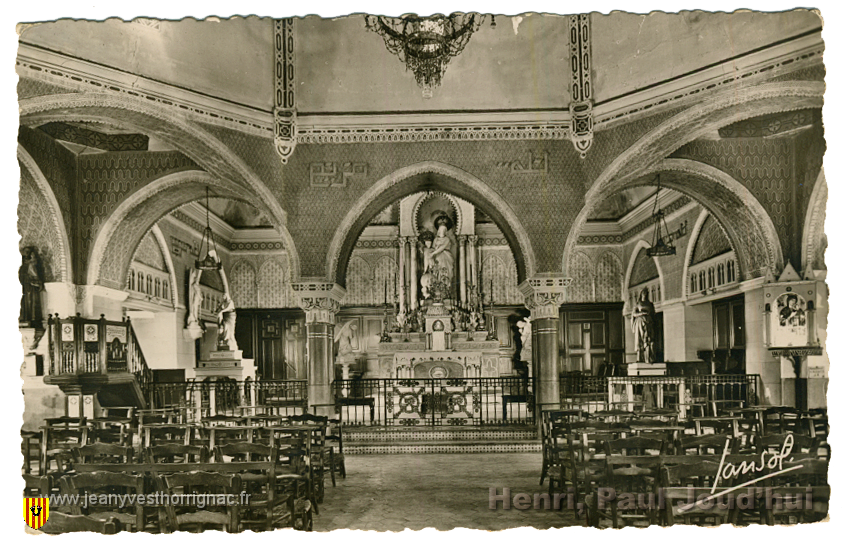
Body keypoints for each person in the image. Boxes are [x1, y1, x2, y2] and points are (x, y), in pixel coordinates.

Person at [19, 247, 43, 328]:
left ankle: (29, 318)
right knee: (30, 303)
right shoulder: (29, 266)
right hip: (29, 289)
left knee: (30, 303)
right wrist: (37, 283)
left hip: (29, 289)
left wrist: (37, 283)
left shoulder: (24, 267)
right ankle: (31, 319)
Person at [631, 287, 655, 363]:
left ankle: (649, 357)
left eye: (646, 293)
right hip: (640, 322)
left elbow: (653, 313)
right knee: (639, 339)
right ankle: (639, 357)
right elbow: (634, 314)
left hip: (648, 322)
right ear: (641, 294)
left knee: (648, 339)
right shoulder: (638, 304)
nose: (644, 294)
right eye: (643, 293)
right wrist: (642, 313)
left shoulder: (650, 304)